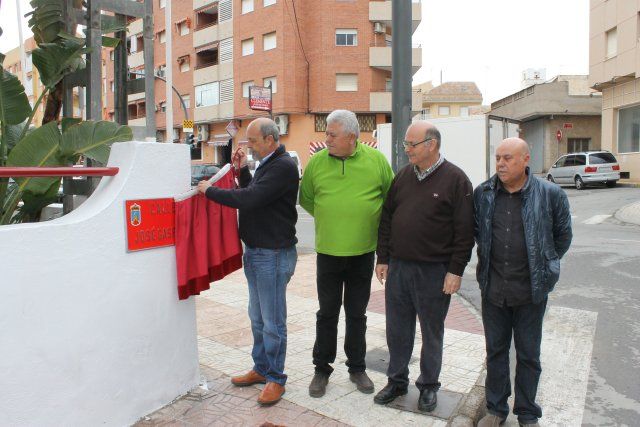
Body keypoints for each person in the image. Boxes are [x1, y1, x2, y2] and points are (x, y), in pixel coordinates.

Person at [197, 117, 299, 406]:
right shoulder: (269, 163)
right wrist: (241, 170)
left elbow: (252, 198)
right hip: (256, 251)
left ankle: (276, 379)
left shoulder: (284, 166)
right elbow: (257, 190)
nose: (249, 146)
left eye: (253, 141)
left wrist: (211, 191)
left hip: (273, 254)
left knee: (273, 321)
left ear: (270, 139)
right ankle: (262, 368)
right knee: (257, 318)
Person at [374, 121, 474, 412]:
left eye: (411, 144)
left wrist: (455, 271)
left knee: (431, 331)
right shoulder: (403, 176)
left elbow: (465, 232)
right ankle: (396, 381)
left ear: (431, 144)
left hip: (434, 271)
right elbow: (387, 218)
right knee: (397, 329)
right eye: (405, 144)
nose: (406, 150)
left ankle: (429, 386)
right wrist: (383, 258)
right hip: (400, 269)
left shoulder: (456, 180)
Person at [475, 138, 572, 427]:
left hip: (531, 291)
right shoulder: (484, 193)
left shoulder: (551, 194)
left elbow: (562, 237)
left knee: (529, 354)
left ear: (526, 159)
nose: (501, 164)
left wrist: (547, 264)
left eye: (508, 158)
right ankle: (495, 409)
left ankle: (527, 412)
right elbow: (478, 233)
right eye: (498, 158)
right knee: (495, 352)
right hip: (493, 290)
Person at [299, 109, 394, 398]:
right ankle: (321, 368)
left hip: (363, 253)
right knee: (327, 313)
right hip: (328, 252)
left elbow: (389, 200)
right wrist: (332, 220)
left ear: (352, 137)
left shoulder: (376, 160)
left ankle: (357, 367)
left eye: (332, 134)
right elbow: (307, 199)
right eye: (326, 133)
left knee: (357, 314)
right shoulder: (317, 162)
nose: (326, 138)